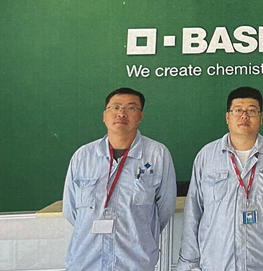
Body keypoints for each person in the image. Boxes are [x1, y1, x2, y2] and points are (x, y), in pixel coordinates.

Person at [178, 86, 263, 271]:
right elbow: (193, 213)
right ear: (227, 117)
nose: (244, 116)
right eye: (237, 110)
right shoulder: (206, 156)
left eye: (252, 111)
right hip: (216, 264)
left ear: (261, 118)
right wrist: (189, 264)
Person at [62, 87, 177, 271]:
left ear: (141, 116)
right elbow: (71, 210)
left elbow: (165, 208)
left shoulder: (157, 154)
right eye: (115, 107)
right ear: (104, 115)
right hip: (86, 261)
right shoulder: (83, 156)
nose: (121, 113)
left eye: (131, 108)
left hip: (135, 262)